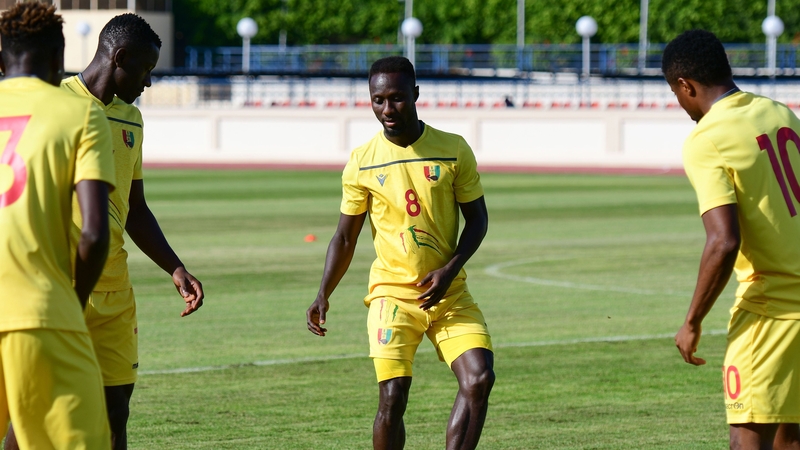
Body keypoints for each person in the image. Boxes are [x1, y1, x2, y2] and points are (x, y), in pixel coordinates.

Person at [4, 13, 204, 450]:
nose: (148, 84)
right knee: (30, 410)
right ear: (120, 57)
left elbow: (134, 208)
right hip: (56, 287)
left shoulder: (132, 120)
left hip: (112, 289)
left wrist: (175, 266)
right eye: (146, 70)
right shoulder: (56, 102)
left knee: (116, 413)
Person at [306, 56, 494, 450]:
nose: (387, 110)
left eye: (397, 98)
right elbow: (344, 237)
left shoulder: (453, 149)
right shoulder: (361, 161)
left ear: (416, 94)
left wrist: (449, 270)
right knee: (392, 398)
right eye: (378, 100)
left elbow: (477, 220)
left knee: (479, 378)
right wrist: (324, 292)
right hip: (392, 296)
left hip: (450, 294)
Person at [664, 29, 800, 449]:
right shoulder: (780, 112)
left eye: (676, 93)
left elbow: (723, 242)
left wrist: (692, 321)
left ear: (686, 85)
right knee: (790, 434)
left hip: (769, 308)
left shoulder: (708, 137)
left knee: (747, 437)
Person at [0, 2, 115, 448]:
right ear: (56, 58)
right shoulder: (80, 114)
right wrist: (75, 302)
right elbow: (93, 232)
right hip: (42, 311)